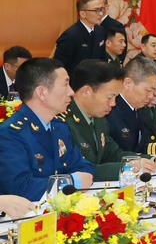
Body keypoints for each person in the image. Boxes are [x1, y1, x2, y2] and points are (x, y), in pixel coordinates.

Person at [0, 58, 94, 200]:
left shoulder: (59, 127)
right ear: (42, 92)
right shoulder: (10, 133)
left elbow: (83, 166)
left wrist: (79, 177)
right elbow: (21, 188)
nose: (71, 92)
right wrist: (71, 182)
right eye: (65, 84)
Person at [62, 59, 154, 180]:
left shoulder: (99, 119)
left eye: (115, 97)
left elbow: (113, 153)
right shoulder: (64, 122)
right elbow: (78, 170)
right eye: (110, 97)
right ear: (86, 91)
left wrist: (150, 160)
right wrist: (126, 167)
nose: (113, 103)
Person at [107, 55, 156, 159]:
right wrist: (151, 160)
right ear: (128, 83)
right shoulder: (110, 110)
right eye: (148, 90)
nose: (151, 96)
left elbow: (143, 146)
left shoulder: (138, 108)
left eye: (154, 91)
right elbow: (113, 154)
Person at [52, 0, 109, 72]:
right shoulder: (70, 35)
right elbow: (58, 66)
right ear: (83, 14)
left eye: (101, 9)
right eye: (96, 10)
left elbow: (102, 58)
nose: (101, 14)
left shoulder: (100, 31)